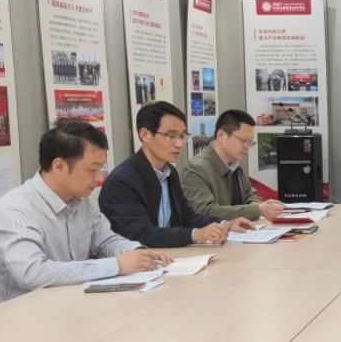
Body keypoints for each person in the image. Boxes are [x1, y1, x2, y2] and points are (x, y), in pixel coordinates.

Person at [0, 120, 171, 311]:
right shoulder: (15, 211)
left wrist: (138, 253)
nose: (99, 178)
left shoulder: (82, 202)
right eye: (92, 169)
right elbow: (32, 273)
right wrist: (116, 265)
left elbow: (105, 242)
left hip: (65, 308)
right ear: (59, 166)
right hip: (10, 321)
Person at [100, 102, 254, 247]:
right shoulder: (122, 181)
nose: (179, 144)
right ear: (145, 135)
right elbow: (140, 233)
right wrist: (194, 234)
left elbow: (187, 216)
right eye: (171, 136)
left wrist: (224, 224)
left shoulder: (169, 171)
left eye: (182, 136)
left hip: (169, 256)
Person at [182, 109, 285, 221]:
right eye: (244, 140)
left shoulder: (234, 166)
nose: (247, 146)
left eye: (250, 142)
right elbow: (204, 211)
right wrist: (257, 210)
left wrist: (255, 204)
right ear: (221, 135)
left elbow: (252, 194)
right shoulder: (196, 169)